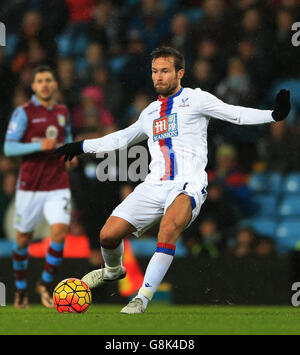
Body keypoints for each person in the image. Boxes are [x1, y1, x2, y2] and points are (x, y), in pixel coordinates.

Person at [55, 46, 291, 314]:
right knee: (107, 235)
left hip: (188, 183)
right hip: (154, 184)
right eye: (155, 71)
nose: (159, 77)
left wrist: (273, 115)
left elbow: (234, 113)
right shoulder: (150, 112)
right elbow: (122, 138)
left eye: (165, 71)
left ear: (180, 73)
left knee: (167, 231)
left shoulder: (196, 99)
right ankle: (113, 270)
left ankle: (141, 297)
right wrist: (81, 146)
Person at [4, 65, 74, 308]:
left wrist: (69, 156)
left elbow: (65, 140)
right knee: (22, 239)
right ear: (33, 86)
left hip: (57, 184)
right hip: (30, 186)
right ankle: (21, 289)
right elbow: (9, 148)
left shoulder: (63, 111)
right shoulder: (23, 113)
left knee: (60, 232)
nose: (45, 84)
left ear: (54, 84)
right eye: (40, 81)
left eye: (48, 80)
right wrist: (38, 146)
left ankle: (44, 283)